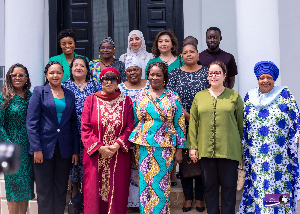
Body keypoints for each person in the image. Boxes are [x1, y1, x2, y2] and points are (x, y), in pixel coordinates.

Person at [237, 61, 300, 214]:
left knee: (278, 185)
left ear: (274, 79)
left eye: (269, 77)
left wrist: (296, 138)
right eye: (262, 78)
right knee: (260, 187)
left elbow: (295, 119)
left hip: (279, 155)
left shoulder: (284, 94)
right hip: (256, 156)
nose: (265, 81)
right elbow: (244, 124)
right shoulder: (249, 97)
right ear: (257, 80)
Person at [129, 62, 186, 214]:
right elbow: (134, 120)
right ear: (147, 76)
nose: (154, 77)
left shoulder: (173, 97)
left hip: (165, 148)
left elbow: (180, 123)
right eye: (152, 74)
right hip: (143, 147)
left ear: (164, 77)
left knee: (161, 185)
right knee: (145, 187)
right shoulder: (140, 95)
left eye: (158, 75)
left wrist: (180, 149)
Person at [189, 60, 243, 214]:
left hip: (229, 150)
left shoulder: (234, 96)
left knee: (228, 188)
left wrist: (241, 148)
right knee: (210, 188)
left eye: (217, 72)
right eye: (211, 73)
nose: (214, 76)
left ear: (224, 75)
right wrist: (193, 146)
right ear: (207, 76)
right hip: (206, 151)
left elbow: (240, 124)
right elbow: (193, 123)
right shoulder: (199, 97)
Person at [27, 61, 79, 214]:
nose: (55, 75)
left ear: (63, 75)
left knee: (61, 186)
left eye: (58, 72)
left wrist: (75, 150)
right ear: (46, 75)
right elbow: (31, 122)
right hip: (43, 148)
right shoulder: (39, 92)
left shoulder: (69, 94)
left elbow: (73, 124)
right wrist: (36, 148)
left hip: (64, 148)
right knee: (44, 189)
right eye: (51, 73)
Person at [81, 67, 134, 214]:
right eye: (106, 79)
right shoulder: (91, 100)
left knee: (118, 193)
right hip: (95, 156)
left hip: (119, 155)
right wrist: (100, 148)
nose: (109, 82)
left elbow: (130, 127)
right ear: (101, 81)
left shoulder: (126, 101)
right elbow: (85, 128)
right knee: (93, 193)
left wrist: (117, 145)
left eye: (113, 79)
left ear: (118, 82)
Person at [167, 43, 208, 212]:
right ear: (181, 56)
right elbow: (169, 97)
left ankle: (199, 199)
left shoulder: (206, 72)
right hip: (180, 123)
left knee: (200, 161)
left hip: (203, 123)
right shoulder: (175, 73)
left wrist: (194, 116)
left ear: (198, 54)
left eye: (192, 52)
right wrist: (181, 114)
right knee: (183, 161)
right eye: (185, 52)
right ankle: (187, 198)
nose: (189, 54)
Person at [62, 56, 102, 197]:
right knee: (73, 163)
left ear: (87, 69)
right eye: (75, 65)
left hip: (91, 132)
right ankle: (74, 196)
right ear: (71, 69)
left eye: (82, 66)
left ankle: (89, 196)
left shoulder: (96, 85)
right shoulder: (64, 86)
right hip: (70, 131)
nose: (78, 68)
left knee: (89, 165)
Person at [0, 64, 35, 214]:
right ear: (9, 77)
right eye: (14, 75)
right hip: (10, 149)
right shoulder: (4, 97)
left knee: (25, 188)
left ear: (26, 78)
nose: (18, 78)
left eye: (21, 75)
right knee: (13, 188)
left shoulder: (32, 96)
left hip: (28, 149)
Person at [118, 56, 150, 210]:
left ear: (141, 70)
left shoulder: (150, 86)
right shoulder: (120, 88)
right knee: (128, 167)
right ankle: (131, 202)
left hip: (147, 134)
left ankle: (144, 201)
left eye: (136, 69)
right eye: (129, 70)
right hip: (126, 133)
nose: (133, 73)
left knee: (143, 166)